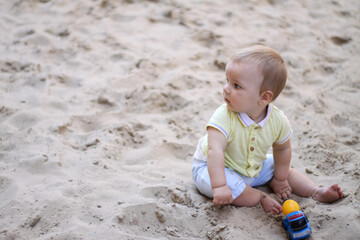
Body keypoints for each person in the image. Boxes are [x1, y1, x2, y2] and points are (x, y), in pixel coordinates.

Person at [192, 45, 343, 215]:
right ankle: (259, 197)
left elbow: (283, 148)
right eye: (227, 80)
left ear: (264, 97)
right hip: (212, 168)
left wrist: (280, 178)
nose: (226, 89)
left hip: (252, 168)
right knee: (227, 186)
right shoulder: (223, 115)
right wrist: (220, 185)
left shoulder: (277, 120)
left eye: (236, 85)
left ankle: (315, 191)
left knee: (279, 167)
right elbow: (215, 150)